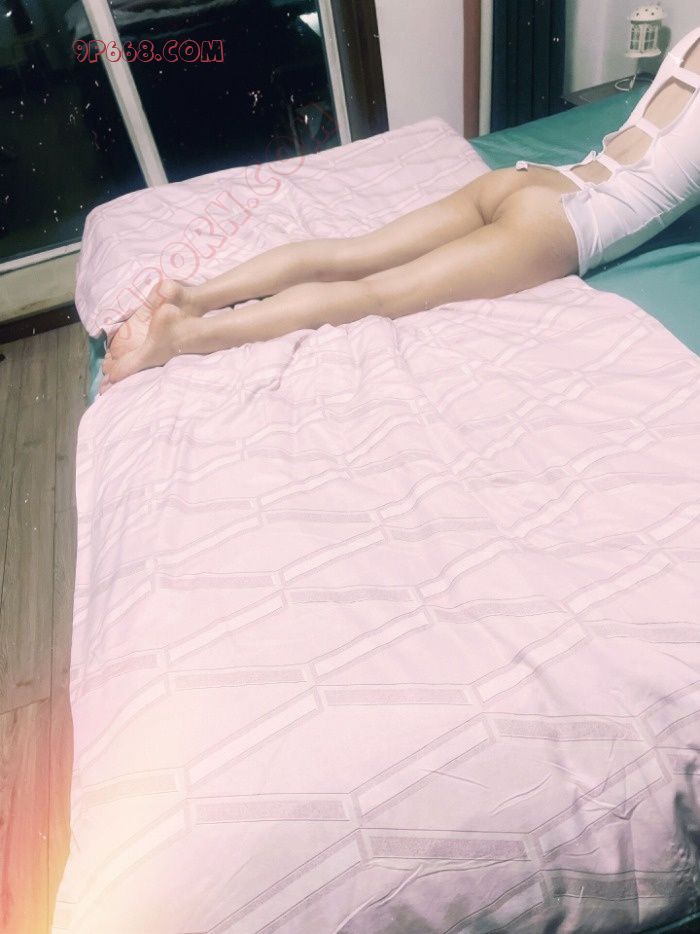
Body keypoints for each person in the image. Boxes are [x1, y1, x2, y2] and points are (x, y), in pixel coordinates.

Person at [101, 26, 700, 392]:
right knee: (377, 295)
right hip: (561, 223)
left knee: (351, 255)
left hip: (536, 180)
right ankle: (185, 335)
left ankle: (195, 296)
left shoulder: (690, 41)